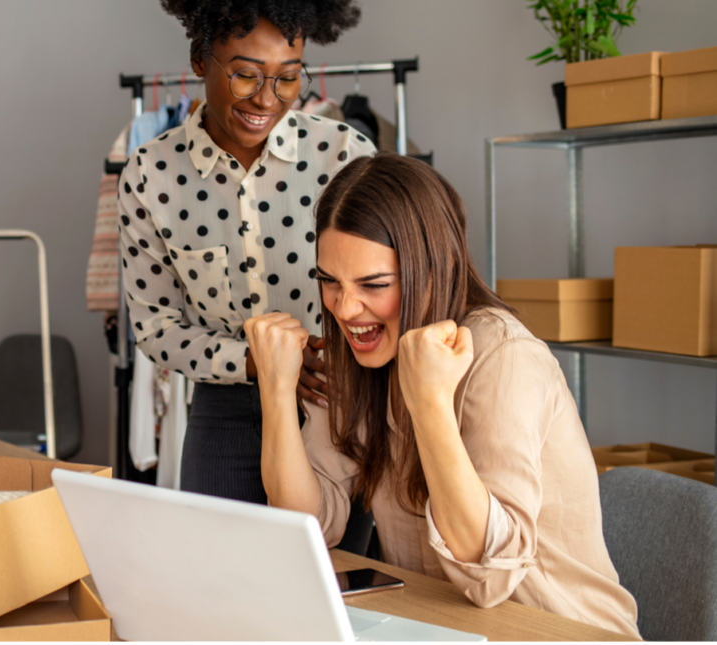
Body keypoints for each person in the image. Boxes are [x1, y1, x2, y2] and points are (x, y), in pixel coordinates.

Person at [247, 152, 640, 637]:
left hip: (560, 631)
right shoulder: (363, 353)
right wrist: (276, 391)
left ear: (438, 265)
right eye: (330, 282)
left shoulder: (503, 355)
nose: (346, 308)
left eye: (374, 284)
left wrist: (429, 403)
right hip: (439, 627)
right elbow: (306, 527)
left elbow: (491, 575)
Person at [119, 0, 369, 503]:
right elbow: (156, 328)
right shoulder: (151, 175)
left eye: (288, 78)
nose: (267, 100)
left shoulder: (345, 156)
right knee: (221, 571)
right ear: (198, 60)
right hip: (225, 411)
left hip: (337, 403)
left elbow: (389, 286)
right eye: (246, 76)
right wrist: (260, 363)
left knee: (344, 578)